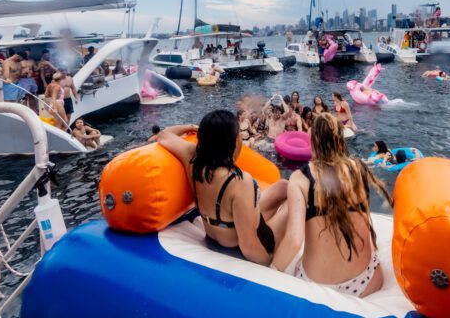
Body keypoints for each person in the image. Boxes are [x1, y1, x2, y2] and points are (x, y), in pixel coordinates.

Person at [272, 113, 392, 297]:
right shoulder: (358, 168)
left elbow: (294, 240)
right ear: (340, 140)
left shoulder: (301, 178)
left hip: (319, 283)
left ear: (313, 142)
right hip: (366, 280)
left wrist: (270, 272)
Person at [157, 111, 289, 265]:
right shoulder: (239, 181)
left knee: (283, 186)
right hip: (241, 249)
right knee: (294, 198)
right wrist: (269, 265)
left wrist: (191, 127)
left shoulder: (191, 157)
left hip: (214, 240)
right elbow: (249, 246)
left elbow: (164, 135)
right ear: (231, 142)